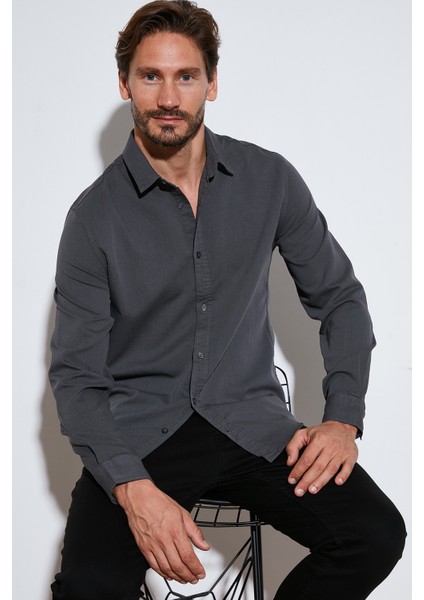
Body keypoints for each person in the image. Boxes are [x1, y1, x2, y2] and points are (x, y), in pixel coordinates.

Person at [48, 1, 406, 598]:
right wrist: (133, 490)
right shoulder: (92, 218)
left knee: (373, 535)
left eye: (186, 76)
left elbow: (341, 297)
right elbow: (76, 379)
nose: (168, 98)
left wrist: (343, 418)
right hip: (141, 436)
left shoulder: (270, 180)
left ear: (211, 84)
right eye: (150, 76)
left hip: (251, 425)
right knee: (88, 588)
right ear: (124, 84)